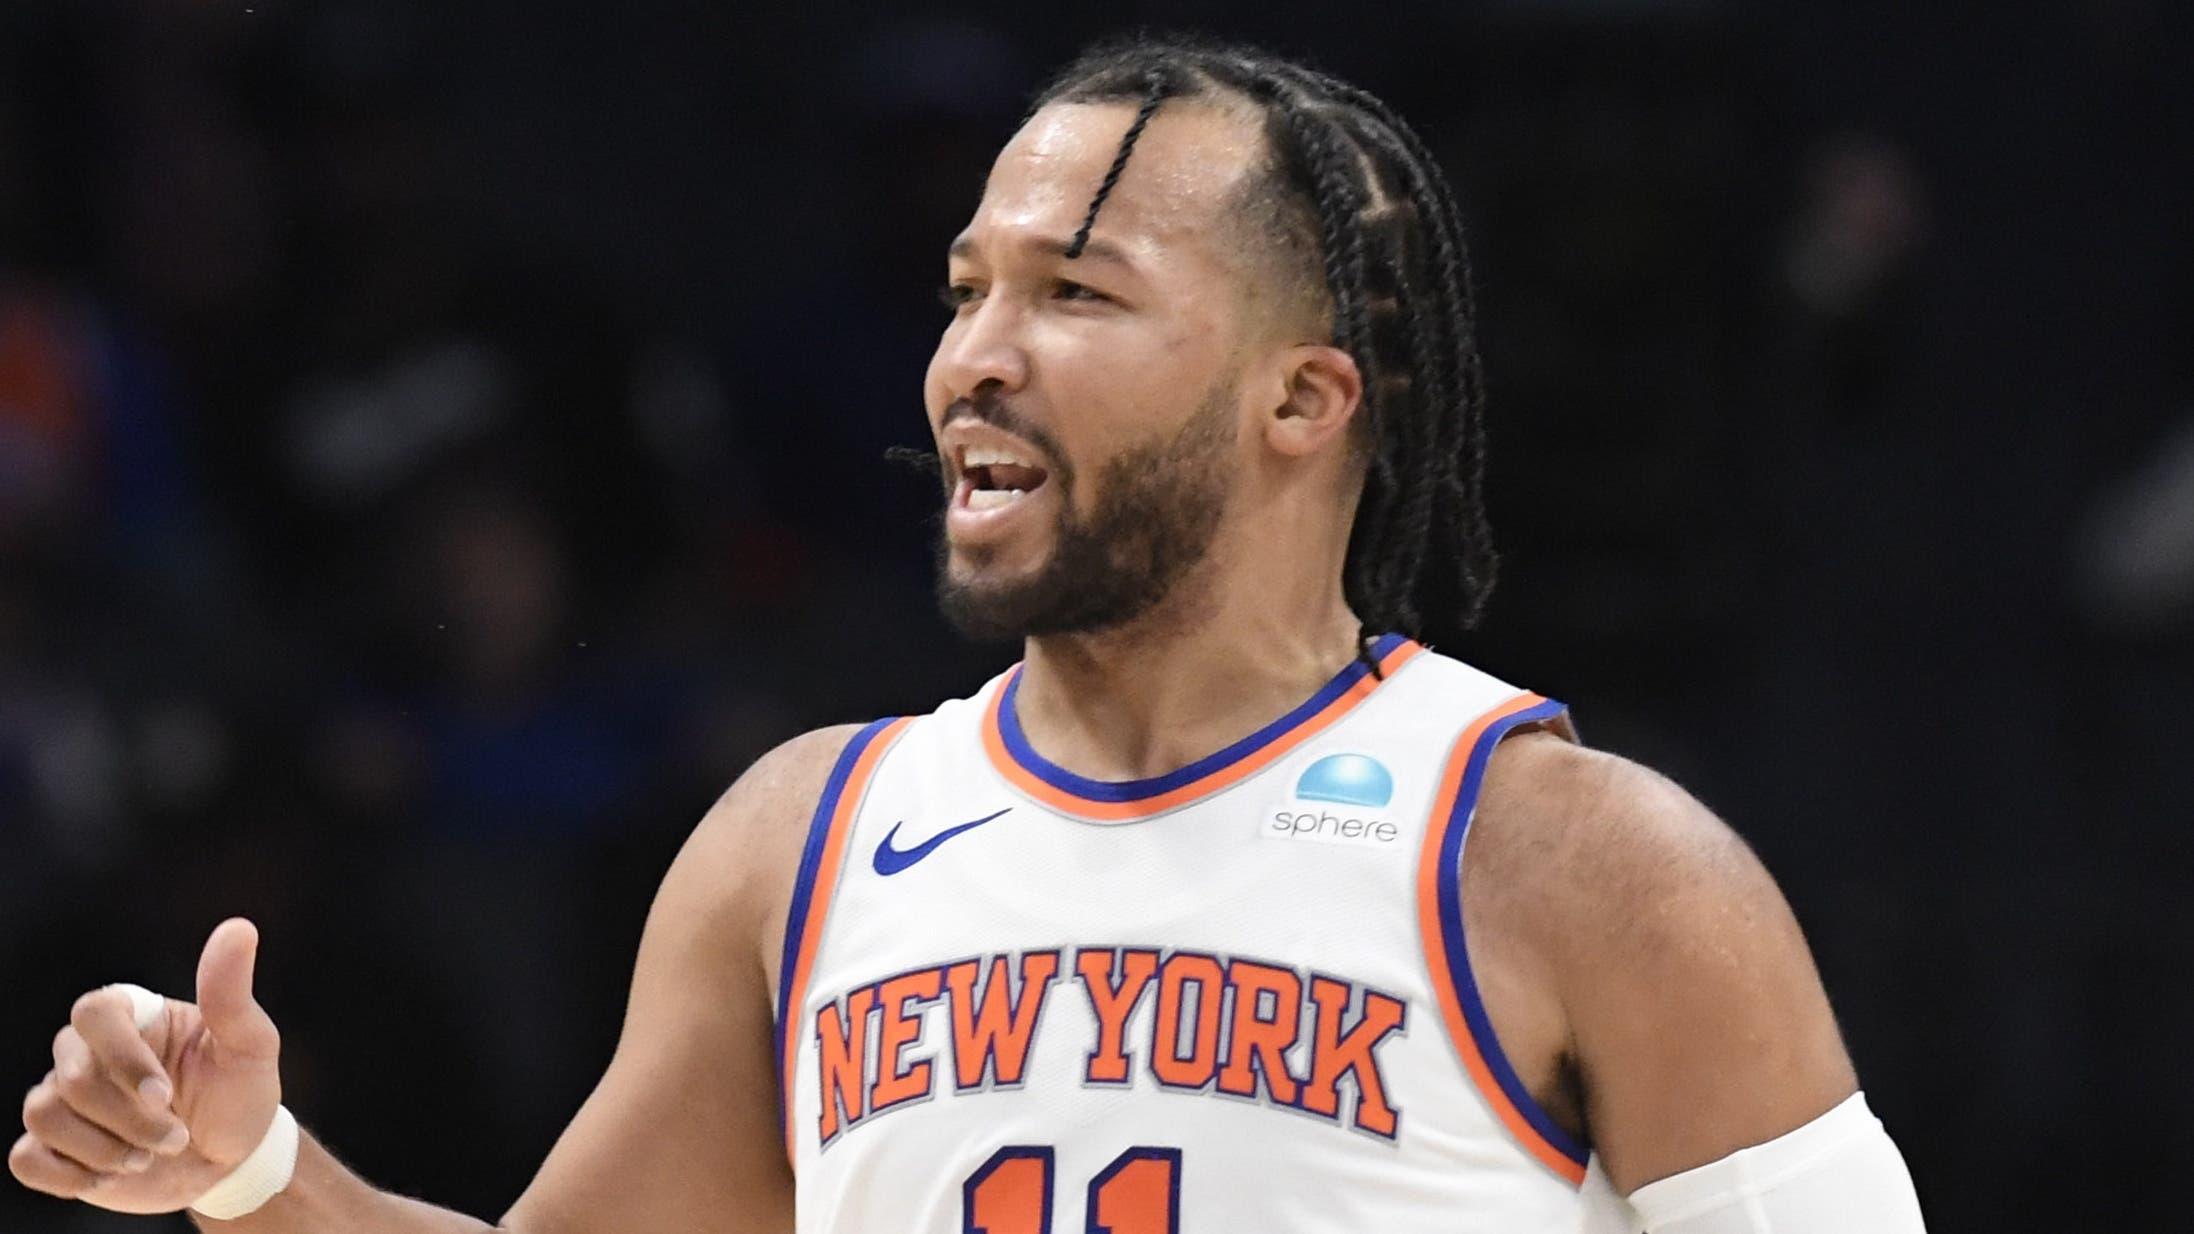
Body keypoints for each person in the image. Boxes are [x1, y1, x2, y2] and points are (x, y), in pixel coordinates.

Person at [9, 34, 1926, 1234]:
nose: (972, 357)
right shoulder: (800, 839)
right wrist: (256, 1177)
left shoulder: (1581, 862)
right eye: (964, 290)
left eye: (1075, 289)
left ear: (1303, 397)